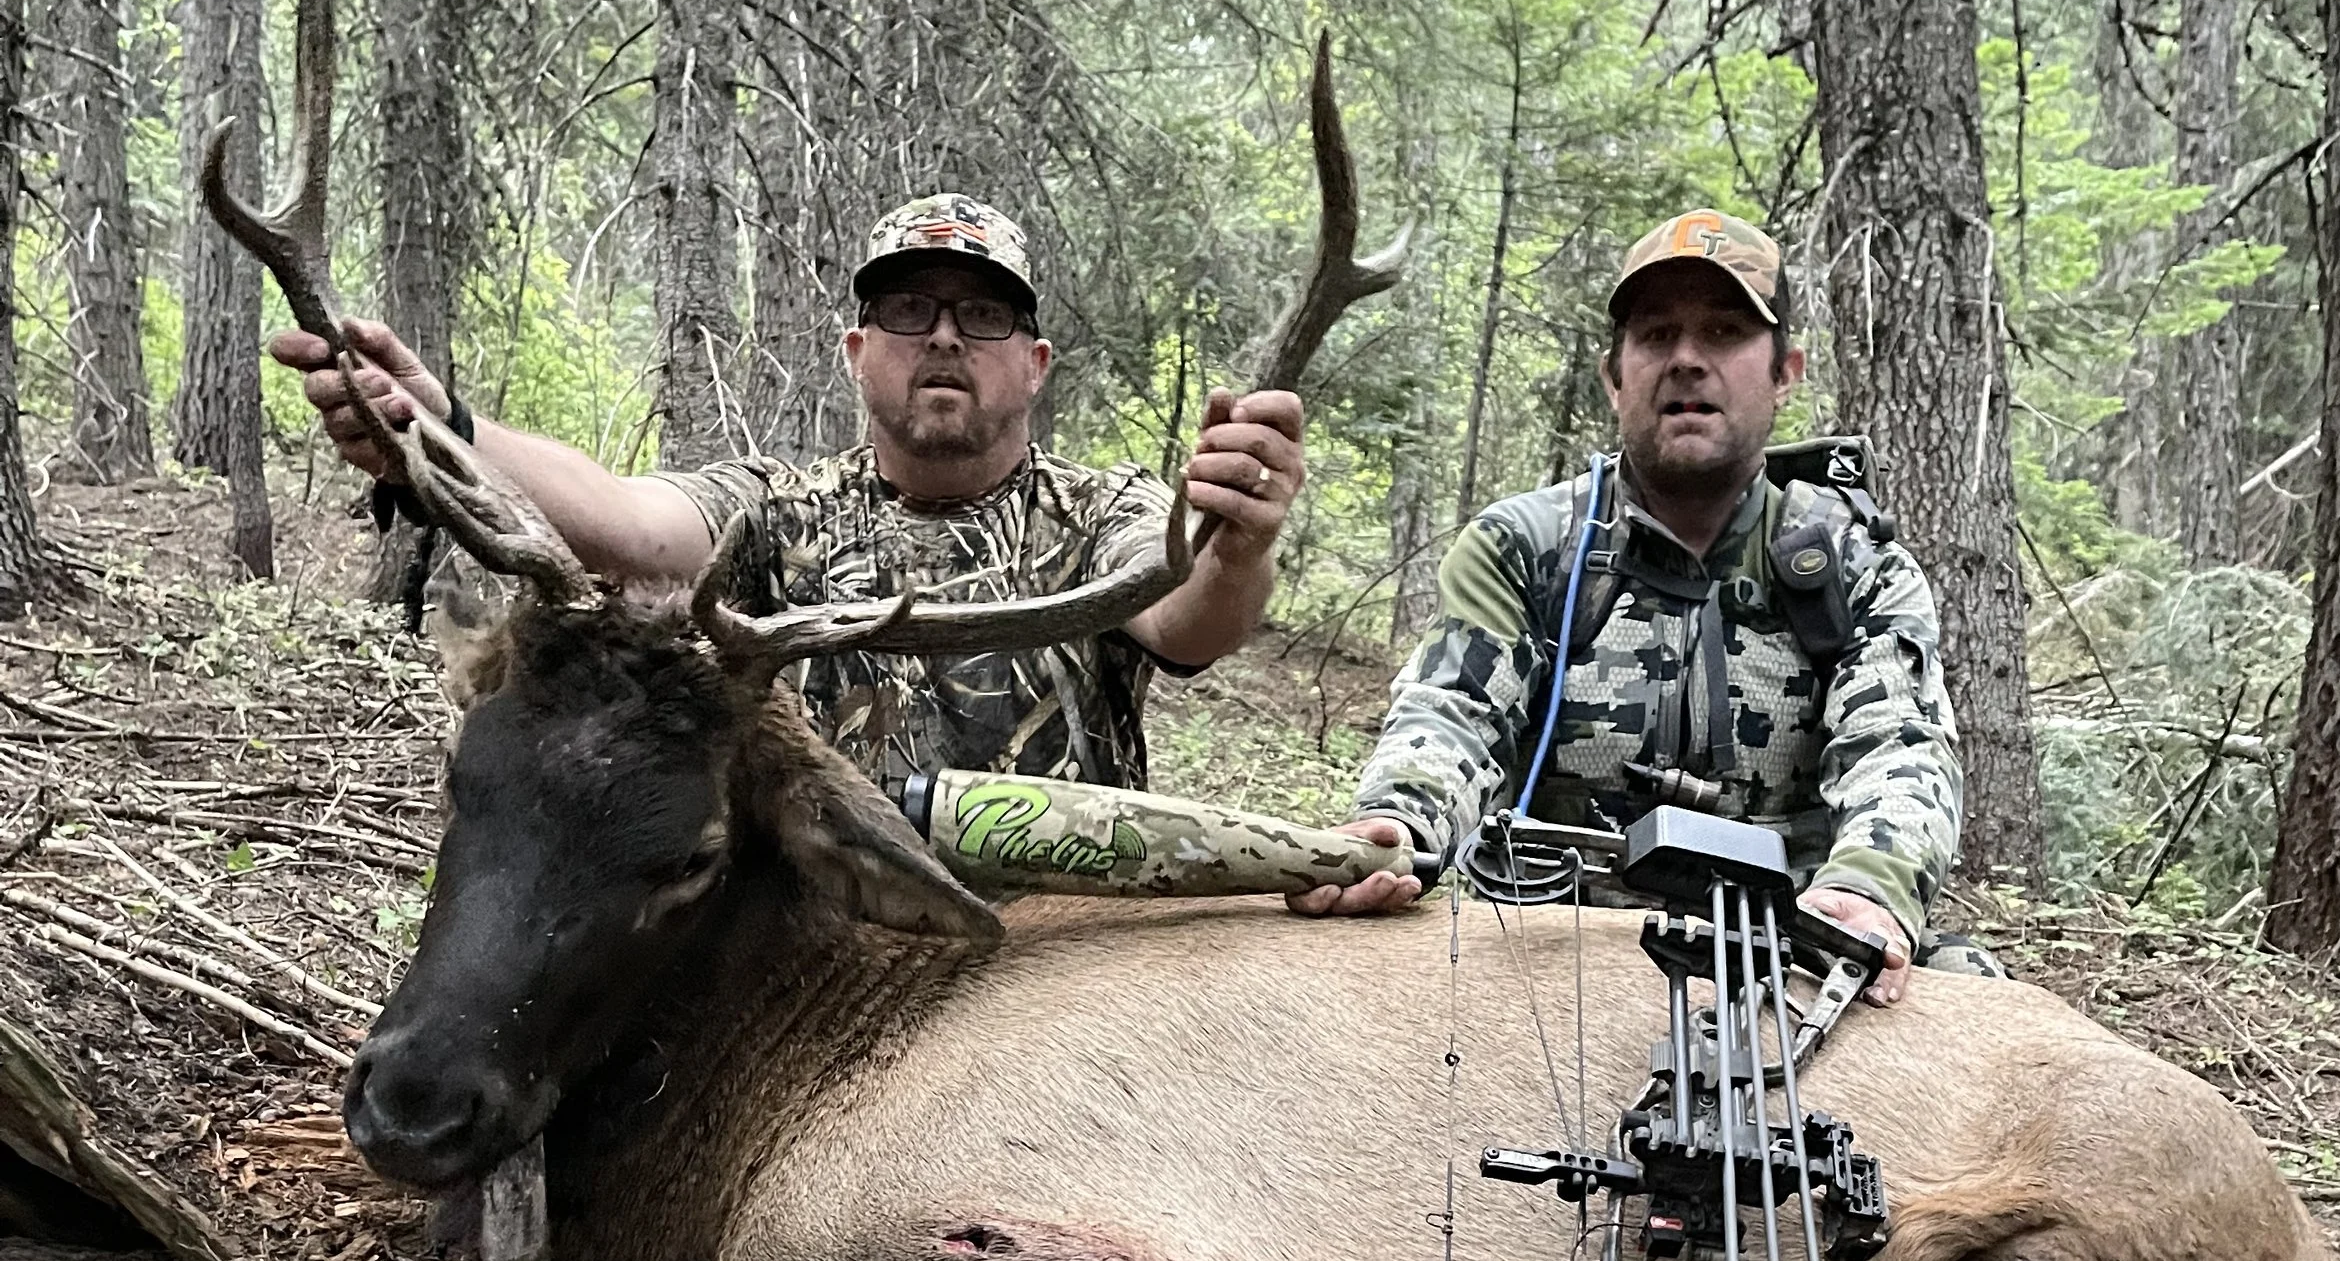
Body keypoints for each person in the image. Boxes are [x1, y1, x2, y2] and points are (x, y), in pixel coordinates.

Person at [274, 193, 1306, 802]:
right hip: (814, 961)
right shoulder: (774, 508)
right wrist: (443, 428)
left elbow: (1191, 615)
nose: (943, 337)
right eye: (908, 309)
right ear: (859, 355)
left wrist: (1238, 539)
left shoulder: (1103, 515)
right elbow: (622, 521)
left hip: (1051, 962)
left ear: (1034, 365)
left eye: (980, 316)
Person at [1291, 209, 1962, 1002]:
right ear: (1614, 378)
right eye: (1654, 335)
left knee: (1971, 998)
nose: (1685, 360)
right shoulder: (1525, 547)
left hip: (1787, 947)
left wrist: (1869, 885)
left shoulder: (1854, 566)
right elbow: (1452, 716)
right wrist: (1401, 821)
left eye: (1723, 333)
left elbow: (1900, 746)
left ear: (1786, 371)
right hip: (1546, 943)